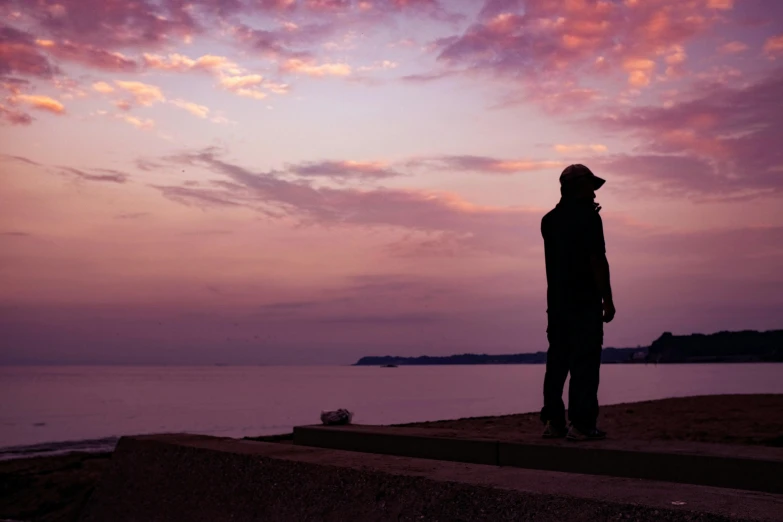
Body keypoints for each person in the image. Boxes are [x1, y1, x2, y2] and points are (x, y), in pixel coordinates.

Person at [540, 164, 615, 441]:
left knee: (557, 361)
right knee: (584, 361)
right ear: (578, 188)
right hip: (584, 302)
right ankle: (582, 424)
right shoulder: (589, 218)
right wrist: (608, 300)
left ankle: (554, 421)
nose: (595, 193)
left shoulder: (549, 221)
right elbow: (597, 260)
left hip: (557, 304)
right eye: (590, 187)